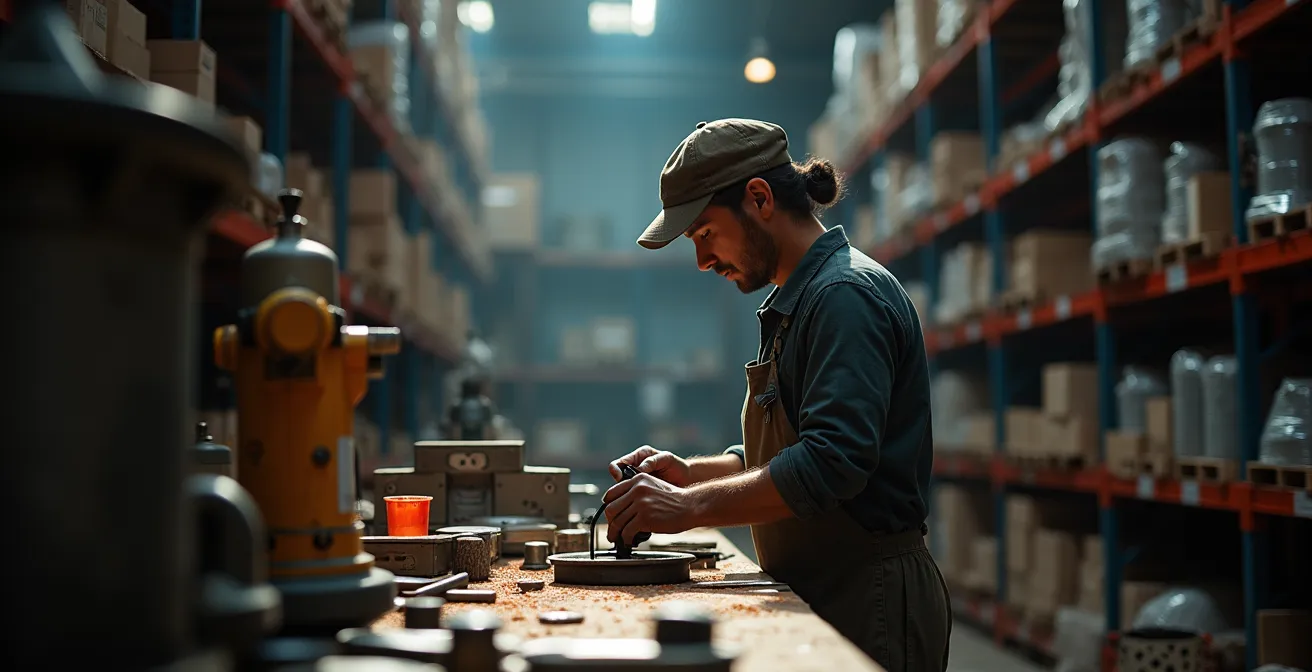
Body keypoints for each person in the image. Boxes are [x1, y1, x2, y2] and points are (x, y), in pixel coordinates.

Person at [603, 118, 951, 670]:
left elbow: (832, 463)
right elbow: (782, 451)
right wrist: (689, 475)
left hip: (868, 600)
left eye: (705, 235)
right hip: (823, 587)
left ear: (759, 199)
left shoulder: (844, 297)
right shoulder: (801, 299)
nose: (702, 261)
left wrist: (688, 508)